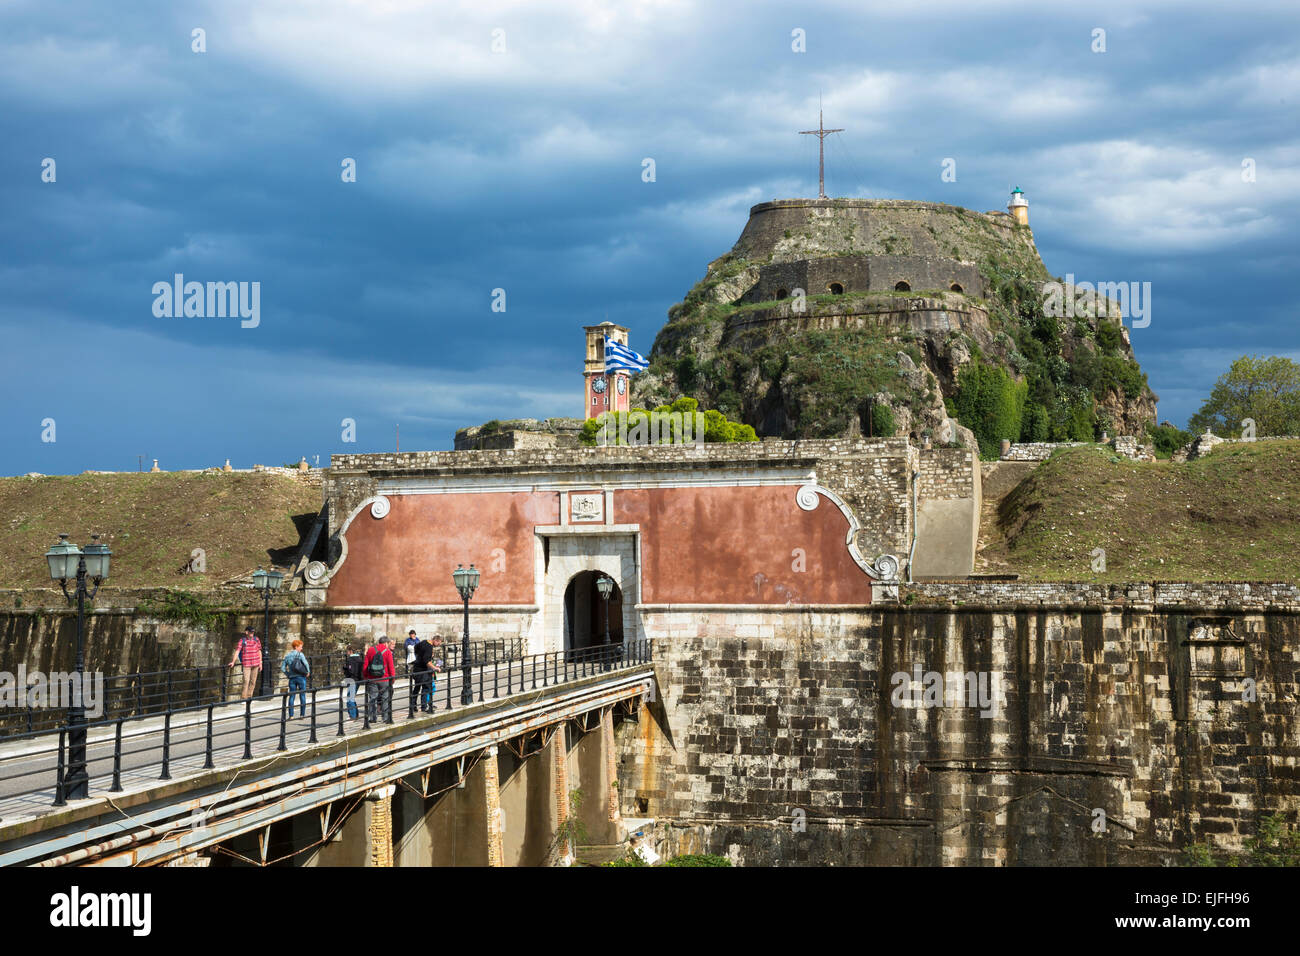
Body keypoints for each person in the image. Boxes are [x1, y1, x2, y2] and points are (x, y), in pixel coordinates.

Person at [363, 635, 395, 723]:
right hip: (384, 678)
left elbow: (365, 665)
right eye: (388, 643)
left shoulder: (370, 650)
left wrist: (366, 677)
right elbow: (391, 667)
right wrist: (392, 679)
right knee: (385, 698)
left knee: (373, 698)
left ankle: (373, 718)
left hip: (372, 679)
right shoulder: (388, 652)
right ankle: (385, 718)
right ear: (386, 643)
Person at [227, 626, 263, 699]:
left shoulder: (256, 639)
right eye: (251, 631)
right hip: (246, 664)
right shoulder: (242, 641)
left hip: (256, 664)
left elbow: (259, 651)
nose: (252, 633)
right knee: (246, 681)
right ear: (246, 632)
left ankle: (249, 697)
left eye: (253, 631)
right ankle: (244, 698)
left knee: (253, 682)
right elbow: (237, 651)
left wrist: (260, 663)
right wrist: (233, 662)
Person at [412, 634, 443, 713]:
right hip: (423, 670)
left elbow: (415, 648)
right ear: (435, 640)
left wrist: (419, 657)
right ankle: (424, 707)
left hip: (416, 668)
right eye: (439, 643)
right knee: (426, 688)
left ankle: (413, 706)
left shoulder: (423, 642)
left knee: (417, 687)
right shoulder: (429, 647)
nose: (439, 645)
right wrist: (435, 668)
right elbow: (427, 661)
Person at [281, 639, 311, 718]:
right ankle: (302, 714)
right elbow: (306, 663)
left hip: (292, 678)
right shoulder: (300, 655)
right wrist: (308, 672)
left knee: (292, 696)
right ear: (296, 647)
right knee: (302, 695)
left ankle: (291, 715)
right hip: (301, 677)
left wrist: (288, 674)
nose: (302, 648)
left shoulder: (287, 656)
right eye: (301, 647)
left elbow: (283, 668)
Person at [341, 644, 364, 720]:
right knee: (351, 697)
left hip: (352, 680)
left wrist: (345, 669)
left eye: (347, 651)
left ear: (350, 651)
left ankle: (353, 716)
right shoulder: (359, 658)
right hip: (358, 680)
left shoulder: (350, 660)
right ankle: (355, 714)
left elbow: (351, 671)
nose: (346, 653)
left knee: (349, 699)